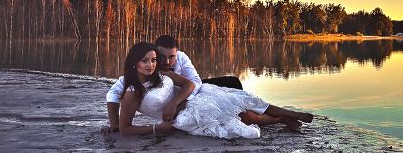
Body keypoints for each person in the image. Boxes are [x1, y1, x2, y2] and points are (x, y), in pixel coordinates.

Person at [112, 42, 314, 139]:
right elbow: (125, 129)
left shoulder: (163, 74)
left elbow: (191, 84)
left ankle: (291, 114)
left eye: (153, 60)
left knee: (243, 99)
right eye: (145, 61)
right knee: (245, 118)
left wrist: (174, 102)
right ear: (134, 63)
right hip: (185, 117)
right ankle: (280, 120)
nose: (151, 65)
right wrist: (157, 129)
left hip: (193, 98)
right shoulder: (131, 93)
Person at [103, 35, 277, 133]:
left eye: (172, 57)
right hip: (179, 100)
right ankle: (268, 117)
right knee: (231, 117)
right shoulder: (133, 80)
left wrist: (178, 102)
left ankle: (268, 113)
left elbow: (194, 82)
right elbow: (113, 95)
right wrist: (114, 125)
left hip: (186, 94)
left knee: (232, 84)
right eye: (160, 58)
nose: (166, 61)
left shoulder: (180, 58)